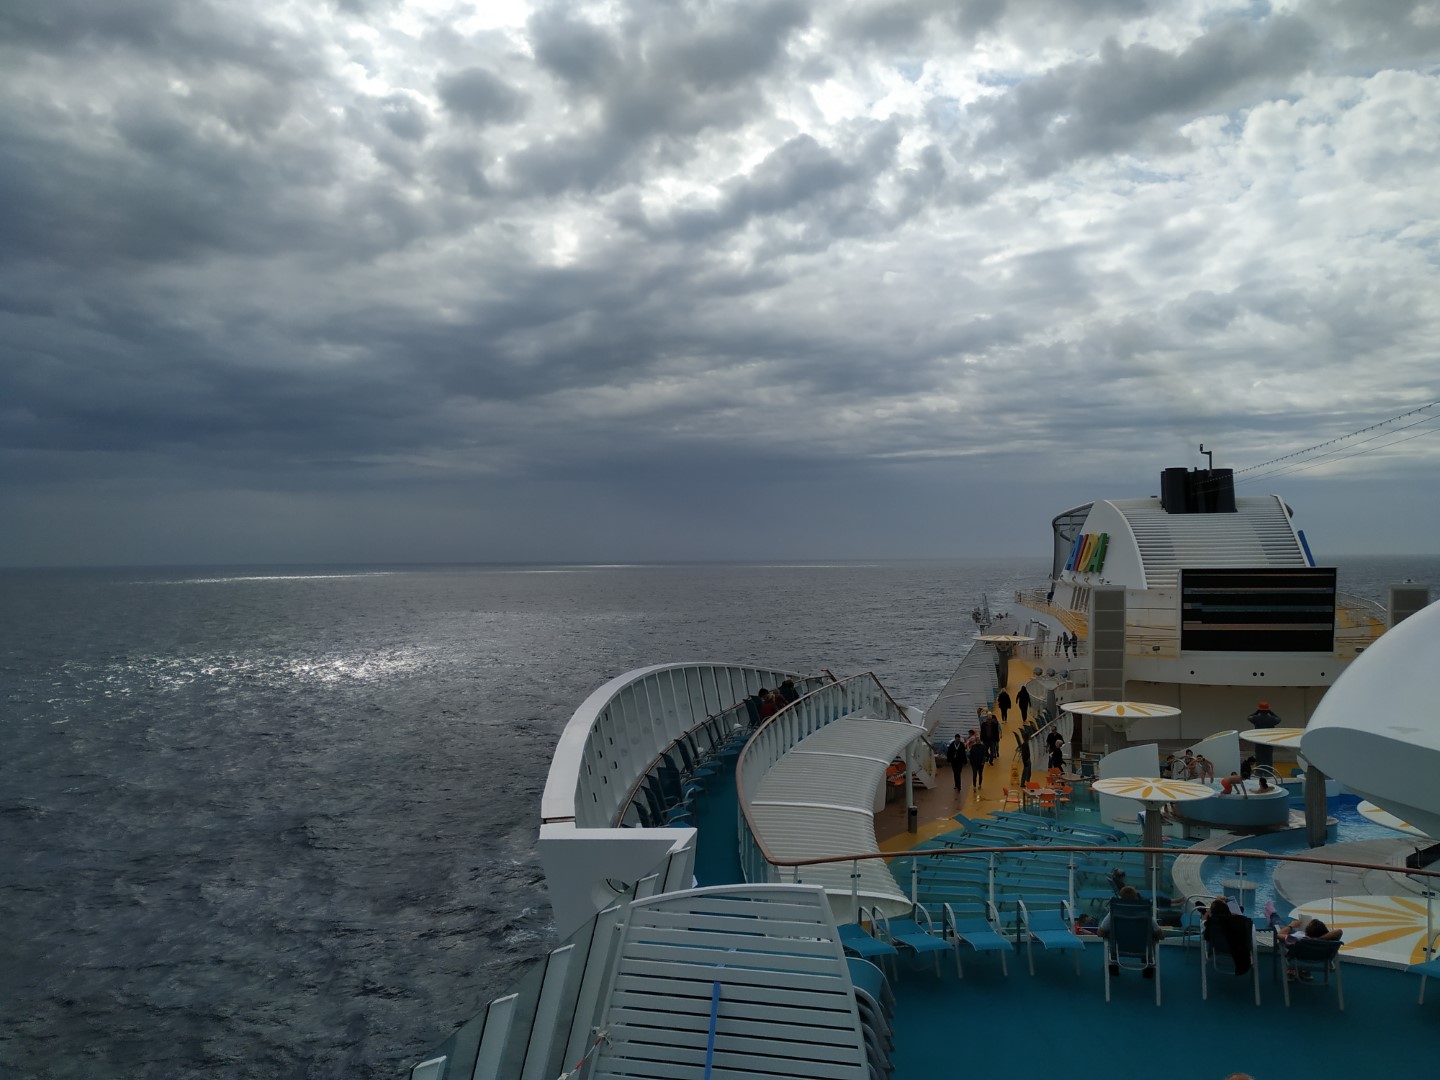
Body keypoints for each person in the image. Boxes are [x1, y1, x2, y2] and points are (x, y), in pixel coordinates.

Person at [1099, 885, 1163, 976]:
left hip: (1119, 947)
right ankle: (1148, 968)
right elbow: (1160, 935)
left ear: (1120, 898)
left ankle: (1113, 966)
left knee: (1111, 938)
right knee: (1150, 939)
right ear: (1136, 897)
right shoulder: (1145, 912)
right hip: (1141, 948)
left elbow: (1100, 932)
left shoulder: (1113, 912)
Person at [1277, 917, 1342, 981]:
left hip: (1299, 958)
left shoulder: (1298, 939)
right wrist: (1317, 939)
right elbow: (1339, 932)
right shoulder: (1326, 943)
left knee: (1279, 924)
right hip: (1318, 959)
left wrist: (1290, 926)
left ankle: (1293, 969)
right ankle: (1303, 970)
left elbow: (1279, 935)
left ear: (1306, 931)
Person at [967, 729, 987, 795]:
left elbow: (984, 755)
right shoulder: (973, 747)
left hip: (980, 763)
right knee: (975, 774)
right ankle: (974, 786)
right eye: (977, 740)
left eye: (979, 740)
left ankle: (980, 784)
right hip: (974, 763)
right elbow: (971, 754)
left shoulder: (983, 747)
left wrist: (983, 761)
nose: (978, 741)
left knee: (980, 774)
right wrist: (971, 761)